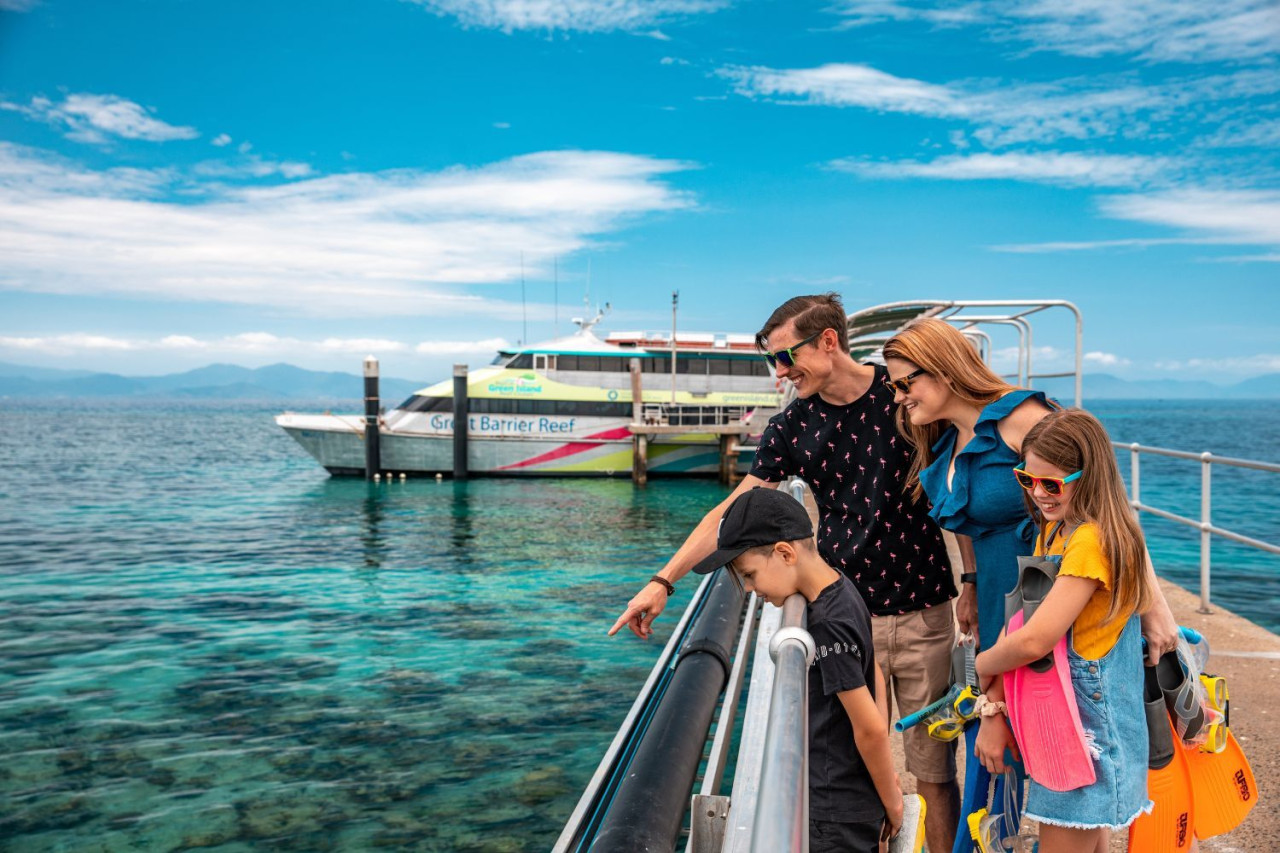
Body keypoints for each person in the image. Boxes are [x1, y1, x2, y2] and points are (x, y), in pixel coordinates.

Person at [610, 293, 960, 852]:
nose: (779, 372)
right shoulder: (794, 425)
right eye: (771, 361)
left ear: (828, 341)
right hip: (850, 617)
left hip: (925, 611)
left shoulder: (903, 399)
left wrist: (970, 586)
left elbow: (954, 484)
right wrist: (664, 580)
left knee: (937, 774)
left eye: (784, 356)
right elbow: (730, 512)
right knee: (860, 768)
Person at [882, 318, 1179, 853]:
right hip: (1008, 606)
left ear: (945, 369)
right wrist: (968, 583)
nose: (899, 397)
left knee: (1061, 770)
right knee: (1017, 763)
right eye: (893, 387)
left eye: (906, 383)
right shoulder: (947, 441)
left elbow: (1106, 503)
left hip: (1050, 615)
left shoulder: (1022, 420)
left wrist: (1152, 606)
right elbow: (969, 523)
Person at [974, 408, 1154, 852]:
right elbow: (1021, 616)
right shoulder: (1055, 532)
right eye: (1026, 479)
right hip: (1068, 717)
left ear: (1087, 476)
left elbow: (1036, 639)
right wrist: (993, 700)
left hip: (1088, 727)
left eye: (1052, 484)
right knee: (1086, 840)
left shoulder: (1091, 543)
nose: (1038, 494)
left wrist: (979, 664)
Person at [690, 486, 903, 852]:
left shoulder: (825, 626)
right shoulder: (843, 588)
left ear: (784, 553)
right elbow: (876, 676)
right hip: (848, 797)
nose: (752, 590)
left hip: (834, 812)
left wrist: (892, 799)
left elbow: (868, 728)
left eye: (751, 575)